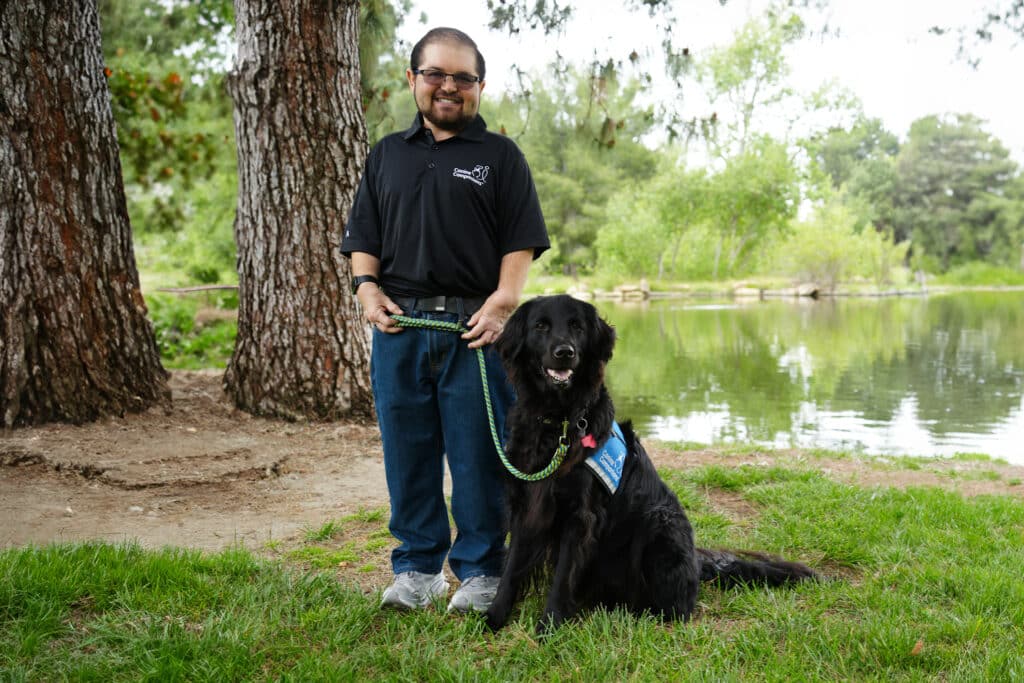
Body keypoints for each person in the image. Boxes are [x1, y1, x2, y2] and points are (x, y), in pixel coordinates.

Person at [341, 27, 549, 614]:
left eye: (463, 77)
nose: (448, 87)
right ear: (412, 80)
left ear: (480, 86)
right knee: (407, 452)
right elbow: (364, 236)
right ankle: (416, 570)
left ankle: (483, 573)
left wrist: (505, 301)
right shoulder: (387, 154)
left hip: (476, 331)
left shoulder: (501, 157)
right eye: (435, 74)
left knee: (477, 453)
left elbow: (521, 240)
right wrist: (366, 289)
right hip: (400, 329)